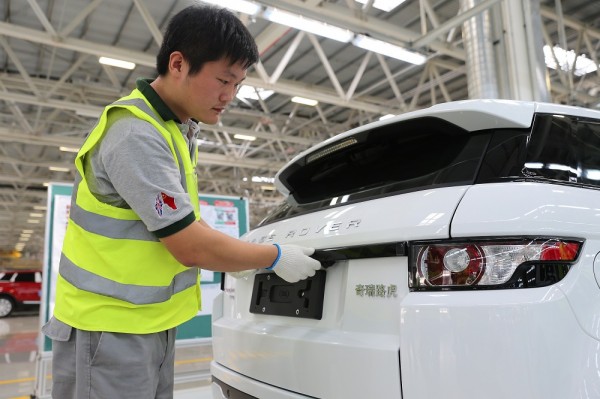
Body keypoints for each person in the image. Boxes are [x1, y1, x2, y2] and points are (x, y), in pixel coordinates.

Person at [42, 5, 321, 399]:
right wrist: (271, 256)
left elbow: (187, 222)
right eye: (224, 80)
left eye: (238, 84)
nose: (229, 96)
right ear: (178, 63)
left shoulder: (175, 130)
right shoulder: (135, 133)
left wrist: (243, 254)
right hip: (108, 330)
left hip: (147, 326)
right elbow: (188, 244)